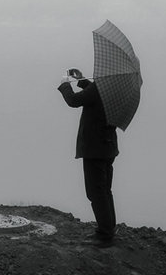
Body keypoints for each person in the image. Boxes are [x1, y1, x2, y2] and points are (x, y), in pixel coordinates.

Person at [58, 68, 119, 247]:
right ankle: (109, 228)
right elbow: (94, 96)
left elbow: (74, 101)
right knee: (105, 190)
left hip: (94, 148)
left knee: (95, 192)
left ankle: (105, 234)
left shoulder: (99, 88)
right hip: (108, 147)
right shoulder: (113, 90)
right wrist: (83, 80)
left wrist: (65, 84)